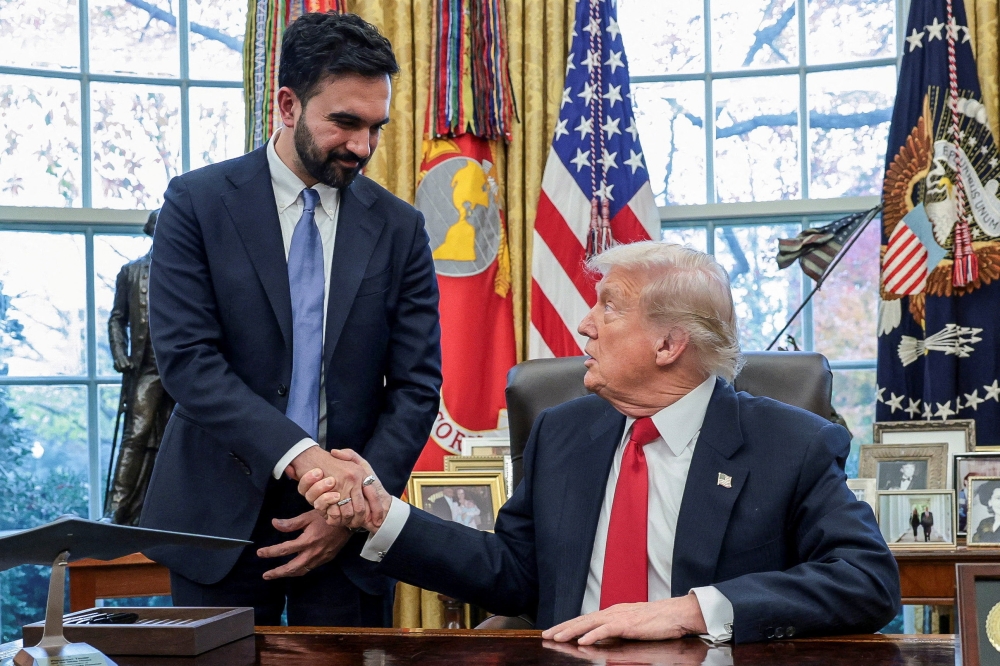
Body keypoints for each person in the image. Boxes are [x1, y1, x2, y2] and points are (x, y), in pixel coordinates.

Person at [301, 242, 901, 644]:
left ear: (669, 345)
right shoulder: (563, 432)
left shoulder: (788, 443)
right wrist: (385, 517)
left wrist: (691, 610)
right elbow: (515, 575)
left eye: (607, 308)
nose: (584, 324)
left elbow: (867, 580)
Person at [139, 12, 442, 627]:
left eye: (376, 127)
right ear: (286, 104)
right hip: (215, 522)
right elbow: (189, 362)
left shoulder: (401, 228)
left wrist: (347, 503)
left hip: (348, 529)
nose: (363, 146)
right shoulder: (196, 204)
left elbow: (415, 388)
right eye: (345, 123)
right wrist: (304, 457)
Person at [105, 210, 175, 526]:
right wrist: (120, 353)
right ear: (151, 231)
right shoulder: (130, 272)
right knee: (136, 435)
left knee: (181, 438)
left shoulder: (188, 274)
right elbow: (117, 319)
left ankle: (173, 510)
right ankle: (116, 511)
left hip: (184, 369)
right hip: (146, 367)